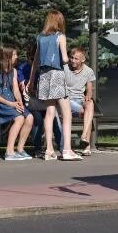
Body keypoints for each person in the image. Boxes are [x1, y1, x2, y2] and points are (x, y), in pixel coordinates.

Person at [29, 10, 82, 161]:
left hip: (44, 76)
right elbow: (65, 58)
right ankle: (67, 149)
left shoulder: (40, 37)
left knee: (50, 112)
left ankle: (49, 150)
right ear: (59, 21)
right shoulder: (60, 36)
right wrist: (67, 60)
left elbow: (36, 61)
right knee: (66, 113)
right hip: (57, 74)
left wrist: (31, 80)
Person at [0, 46, 33, 161]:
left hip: (11, 100)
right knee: (19, 119)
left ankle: (20, 149)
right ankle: (9, 152)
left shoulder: (13, 70)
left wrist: (19, 102)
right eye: (14, 55)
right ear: (7, 57)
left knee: (29, 117)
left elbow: (15, 90)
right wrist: (11, 104)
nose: (16, 57)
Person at [18, 41, 60, 159]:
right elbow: (23, 86)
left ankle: (62, 147)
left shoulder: (45, 67)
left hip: (46, 102)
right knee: (37, 119)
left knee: (55, 120)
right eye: (32, 57)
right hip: (32, 103)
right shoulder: (23, 68)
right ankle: (37, 148)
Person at [65, 46, 96, 156]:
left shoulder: (88, 71)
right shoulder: (65, 68)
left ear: (82, 60)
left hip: (79, 100)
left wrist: (88, 95)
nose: (73, 60)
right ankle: (86, 144)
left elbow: (89, 88)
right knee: (88, 114)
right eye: (72, 57)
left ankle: (83, 137)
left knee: (90, 103)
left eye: (76, 58)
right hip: (67, 100)